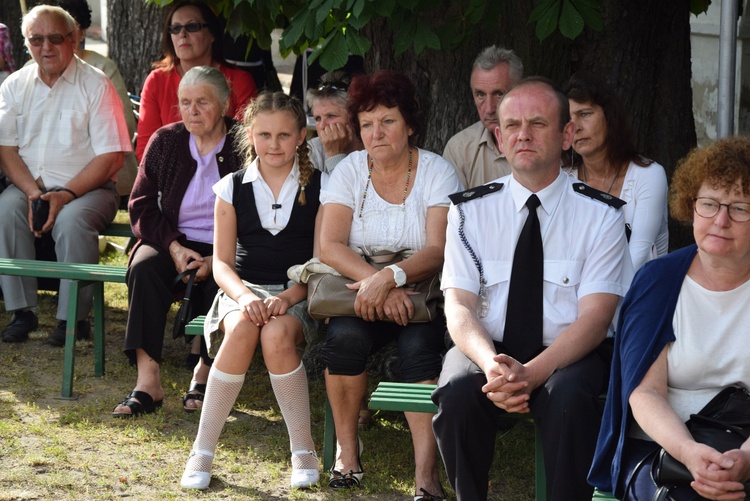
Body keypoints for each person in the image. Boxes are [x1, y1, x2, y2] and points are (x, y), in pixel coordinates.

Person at [432, 77, 632, 500]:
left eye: (538, 124)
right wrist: (491, 366)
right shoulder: (469, 212)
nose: (523, 134)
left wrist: (532, 374)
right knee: (456, 392)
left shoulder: (601, 216)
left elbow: (596, 318)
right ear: (499, 138)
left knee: (569, 399)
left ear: (566, 136)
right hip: (491, 349)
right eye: (513, 125)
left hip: (567, 352)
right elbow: (459, 306)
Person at [319, 70, 461, 500]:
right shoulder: (347, 170)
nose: (375, 133)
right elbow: (329, 245)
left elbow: (438, 249)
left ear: (410, 124)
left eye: (387, 121)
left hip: (421, 292)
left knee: (419, 352)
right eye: (366, 124)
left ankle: (425, 474)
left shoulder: (438, 171)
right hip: (360, 291)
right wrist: (377, 283)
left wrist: (394, 277)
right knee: (342, 341)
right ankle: (347, 454)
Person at [589, 136, 750, 500]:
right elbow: (644, 393)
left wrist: (743, 458)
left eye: (740, 208)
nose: (721, 220)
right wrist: (691, 454)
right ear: (691, 206)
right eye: (709, 204)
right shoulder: (658, 282)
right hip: (664, 450)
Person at [180, 92, 321, 490]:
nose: (273, 144)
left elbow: (323, 258)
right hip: (244, 291)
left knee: (277, 334)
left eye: (283, 135)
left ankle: (303, 449)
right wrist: (245, 297)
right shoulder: (231, 187)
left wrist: (289, 297)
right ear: (249, 135)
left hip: (299, 291)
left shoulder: (322, 187)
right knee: (242, 326)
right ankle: (202, 450)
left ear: (300, 137)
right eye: (264, 134)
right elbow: (221, 263)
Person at [112, 66, 243, 417]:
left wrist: (217, 258)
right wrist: (173, 247)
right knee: (142, 268)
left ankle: (204, 372)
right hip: (173, 237)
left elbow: (258, 209)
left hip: (229, 240)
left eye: (203, 102)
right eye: (185, 102)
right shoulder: (166, 141)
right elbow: (139, 205)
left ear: (225, 104)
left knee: (225, 279)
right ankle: (147, 380)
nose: (192, 111)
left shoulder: (245, 143)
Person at [0, 5, 131, 345]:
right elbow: (6, 150)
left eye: (55, 38)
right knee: (5, 210)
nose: (46, 47)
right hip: (30, 185)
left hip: (89, 190)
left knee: (72, 222)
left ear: (73, 39)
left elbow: (110, 156)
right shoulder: (14, 85)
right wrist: (31, 191)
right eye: (36, 39)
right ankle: (22, 311)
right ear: (26, 43)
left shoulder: (97, 84)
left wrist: (66, 194)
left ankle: (73, 319)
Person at [564, 71, 669, 271]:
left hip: (638, 295)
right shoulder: (563, 178)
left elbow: (638, 256)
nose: (576, 127)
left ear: (610, 118)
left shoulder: (648, 175)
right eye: (568, 120)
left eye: (585, 114)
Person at [135, 0, 257, 162]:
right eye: (175, 28)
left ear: (212, 34)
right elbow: (146, 148)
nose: (182, 34)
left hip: (227, 177)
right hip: (169, 179)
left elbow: (247, 144)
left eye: (192, 27)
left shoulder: (239, 80)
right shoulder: (156, 81)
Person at [52, 0, 138, 199]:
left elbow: (124, 128)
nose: (61, 39)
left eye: (70, 30)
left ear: (83, 33)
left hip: (103, 178)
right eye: (56, 32)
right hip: (49, 177)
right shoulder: (32, 69)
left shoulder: (103, 69)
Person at [442, 45, 523, 189]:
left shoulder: (544, 142)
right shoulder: (459, 149)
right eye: (480, 95)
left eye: (499, 94)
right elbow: (457, 210)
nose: (489, 108)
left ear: (521, 91)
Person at [306, 71, 363, 177]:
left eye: (331, 116)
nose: (322, 126)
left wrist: (334, 155)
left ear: (353, 117)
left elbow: (345, 192)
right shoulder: (311, 150)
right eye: (318, 118)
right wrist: (334, 154)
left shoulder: (372, 148)